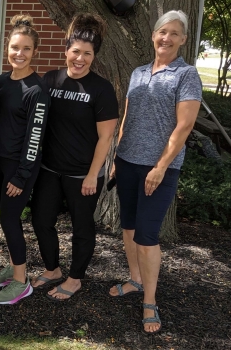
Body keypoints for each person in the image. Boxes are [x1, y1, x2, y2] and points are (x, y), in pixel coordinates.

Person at [109, 10, 202, 334]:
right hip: (128, 162)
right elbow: (127, 118)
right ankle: (135, 279)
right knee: (129, 226)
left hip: (160, 169)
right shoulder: (137, 73)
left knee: (147, 235)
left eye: (174, 33)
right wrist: (116, 157)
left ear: (183, 40)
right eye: (163, 32)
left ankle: (150, 300)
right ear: (153, 35)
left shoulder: (186, 75)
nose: (167, 38)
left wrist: (160, 166)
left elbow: (185, 124)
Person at [30, 14, 118, 301]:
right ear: (66, 50)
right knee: (41, 220)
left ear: (94, 57)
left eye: (87, 54)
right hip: (49, 169)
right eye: (76, 51)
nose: (80, 58)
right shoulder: (51, 79)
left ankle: (75, 278)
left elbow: (106, 137)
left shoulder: (101, 89)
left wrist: (94, 174)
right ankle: (53, 269)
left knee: (82, 228)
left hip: (83, 174)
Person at [0, 15, 50, 304]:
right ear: (7, 48)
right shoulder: (3, 80)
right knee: (6, 219)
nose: (19, 54)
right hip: (0, 161)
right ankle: (14, 267)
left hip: (20, 166)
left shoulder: (37, 90)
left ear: (34, 52)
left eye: (26, 49)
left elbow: (34, 137)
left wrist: (22, 175)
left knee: (10, 219)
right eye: (15, 47)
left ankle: (22, 281)